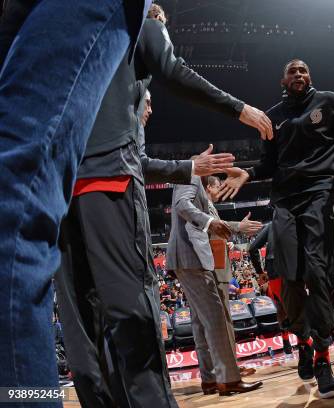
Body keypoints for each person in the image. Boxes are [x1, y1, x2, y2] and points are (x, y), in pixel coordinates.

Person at [55, 4, 271, 406]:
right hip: (109, 182)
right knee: (133, 313)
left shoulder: (64, 28)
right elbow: (172, 69)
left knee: (82, 323)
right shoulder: (140, 18)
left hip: (57, 188)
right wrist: (238, 108)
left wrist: (191, 167)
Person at [0, 0, 152, 393]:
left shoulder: (129, 105)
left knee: (10, 212)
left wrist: (237, 109)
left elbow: (172, 69)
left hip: (107, 188)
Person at [221, 59, 334, 399]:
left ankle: (324, 360)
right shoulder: (272, 117)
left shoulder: (327, 101)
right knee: (288, 278)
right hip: (284, 200)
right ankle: (303, 340)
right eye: (292, 71)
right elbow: (269, 162)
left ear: (309, 75)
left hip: (319, 193)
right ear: (282, 79)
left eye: (303, 70)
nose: (299, 75)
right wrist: (249, 174)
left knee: (318, 273)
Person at [166, 174, 263, 395]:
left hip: (193, 261)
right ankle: (227, 378)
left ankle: (212, 378)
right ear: (209, 186)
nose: (221, 190)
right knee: (217, 320)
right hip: (197, 261)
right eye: (218, 186)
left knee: (202, 324)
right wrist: (239, 226)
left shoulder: (199, 196)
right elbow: (209, 225)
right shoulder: (192, 182)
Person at [249, 223, 294, 354]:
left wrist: (260, 271)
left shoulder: (271, 225)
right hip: (290, 263)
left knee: (280, 304)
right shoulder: (297, 219)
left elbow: (252, 248)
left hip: (273, 266)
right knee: (297, 303)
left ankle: (286, 341)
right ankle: (304, 344)